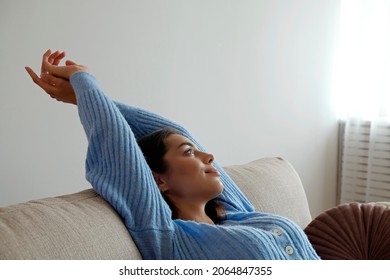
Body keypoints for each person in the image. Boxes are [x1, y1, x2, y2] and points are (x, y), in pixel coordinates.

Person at [25, 50, 320, 260]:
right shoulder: (168, 236)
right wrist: (83, 80)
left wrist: (83, 98)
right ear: (159, 180)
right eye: (190, 152)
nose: (209, 157)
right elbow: (120, 152)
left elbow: (173, 130)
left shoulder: (239, 213)